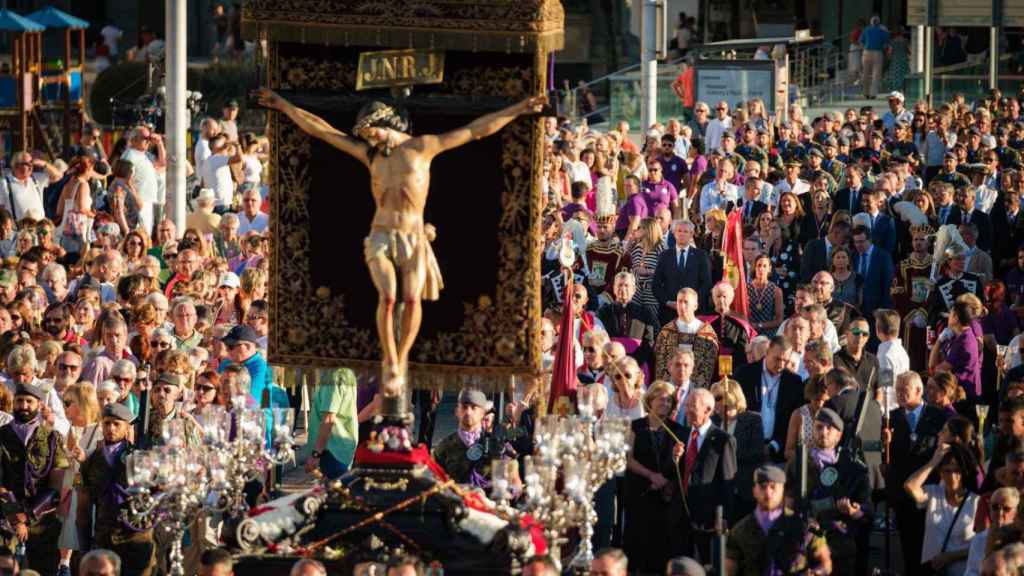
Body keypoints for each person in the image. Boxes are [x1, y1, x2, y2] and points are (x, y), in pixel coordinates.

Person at [257, 88, 545, 399]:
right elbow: (323, 131)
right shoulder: (370, 156)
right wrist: (284, 105)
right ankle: (390, 359)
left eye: (371, 131)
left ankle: (400, 358)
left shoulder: (423, 147)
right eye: (365, 134)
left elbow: (474, 131)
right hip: (381, 234)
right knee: (389, 297)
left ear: (388, 124)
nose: (368, 138)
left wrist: (518, 109)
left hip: (413, 238)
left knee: (411, 299)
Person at [785, 407, 873, 576]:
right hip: (805, 544)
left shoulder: (852, 469)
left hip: (839, 546)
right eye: (818, 427)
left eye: (829, 428)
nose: (823, 432)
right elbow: (786, 501)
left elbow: (867, 510)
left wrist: (854, 511)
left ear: (839, 436)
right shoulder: (799, 462)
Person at [884, 371, 951, 576]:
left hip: (929, 492)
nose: (900, 395)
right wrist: (885, 444)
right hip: (903, 493)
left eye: (904, 390)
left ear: (918, 390)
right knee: (908, 549)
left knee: (930, 549)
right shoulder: (891, 418)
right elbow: (886, 457)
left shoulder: (937, 416)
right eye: (897, 391)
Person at [0, 382, 70, 576]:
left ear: (39, 405)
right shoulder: (2, 435)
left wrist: (28, 516)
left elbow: (60, 482)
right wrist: (16, 519)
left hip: (42, 524)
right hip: (5, 522)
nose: (23, 406)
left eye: (29, 401)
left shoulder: (52, 438)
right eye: (19, 401)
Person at [77, 403, 154, 576]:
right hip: (105, 539)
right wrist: (84, 549)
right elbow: (83, 511)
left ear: (127, 427)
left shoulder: (140, 458)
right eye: (107, 423)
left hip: (136, 537)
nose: (111, 428)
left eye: (117, 424)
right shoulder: (90, 463)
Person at [624, 381, 688, 573]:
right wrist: (651, 476)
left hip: (666, 501)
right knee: (638, 552)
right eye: (661, 399)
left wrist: (670, 483)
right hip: (640, 496)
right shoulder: (635, 427)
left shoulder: (679, 432)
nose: (665, 404)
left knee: (662, 553)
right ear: (650, 401)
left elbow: (683, 467)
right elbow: (627, 459)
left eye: (669, 401)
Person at [903, 442, 980, 576]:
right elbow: (910, 486)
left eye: (957, 471)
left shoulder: (975, 501)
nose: (952, 477)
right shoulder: (933, 493)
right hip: (934, 572)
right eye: (947, 471)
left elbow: (982, 545)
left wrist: (951, 556)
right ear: (940, 473)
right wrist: (934, 461)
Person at [680, 388, 737, 562]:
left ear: (708, 410)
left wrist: (724, 517)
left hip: (708, 518)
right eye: (687, 404)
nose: (688, 409)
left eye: (693, 405)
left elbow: (728, 483)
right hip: (680, 514)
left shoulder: (723, 440)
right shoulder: (681, 435)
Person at [725, 465, 807, 576]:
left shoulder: (801, 526)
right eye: (763, 487)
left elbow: (823, 563)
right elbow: (728, 571)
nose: (768, 493)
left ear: (782, 490)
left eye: (773, 487)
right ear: (754, 491)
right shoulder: (739, 531)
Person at [734, 336, 804, 463]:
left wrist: (774, 445)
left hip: (777, 453)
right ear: (767, 353)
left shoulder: (794, 382)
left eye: (785, 361)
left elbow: (792, 419)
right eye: (777, 359)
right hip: (745, 450)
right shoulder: (744, 374)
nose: (781, 365)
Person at [653, 288, 718, 387]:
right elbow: (661, 364)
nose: (682, 306)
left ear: (695, 306)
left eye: (686, 302)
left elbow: (707, 367)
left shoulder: (707, 334)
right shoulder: (666, 332)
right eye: (679, 302)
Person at [432, 388, 495, 486]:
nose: (468, 412)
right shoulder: (444, 447)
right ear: (457, 411)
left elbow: (512, 483)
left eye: (474, 407)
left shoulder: (494, 444)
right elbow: (434, 480)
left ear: (483, 413)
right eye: (464, 407)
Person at [305, 368, 358, 480]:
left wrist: (315, 454)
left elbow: (329, 419)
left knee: (334, 493)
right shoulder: (347, 372)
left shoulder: (332, 377)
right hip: (342, 447)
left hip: (331, 450)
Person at [965, 486, 1018, 576]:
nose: (1000, 513)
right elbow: (971, 572)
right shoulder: (979, 538)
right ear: (989, 508)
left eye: (1006, 509)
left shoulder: (1019, 539)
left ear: (1016, 511)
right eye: (995, 507)